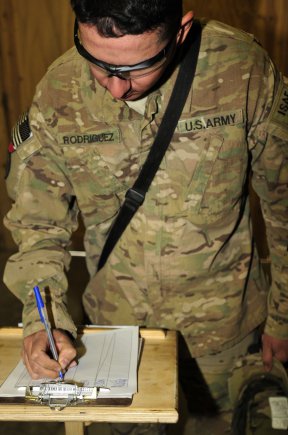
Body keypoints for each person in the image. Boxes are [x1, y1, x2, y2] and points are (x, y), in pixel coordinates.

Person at [3, 0, 288, 433]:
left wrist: (284, 317)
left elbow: (284, 202)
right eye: (96, 61)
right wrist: (44, 321)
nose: (115, 89)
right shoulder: (59, 91)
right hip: (118, 340)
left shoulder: (240, 70)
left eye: (137, 68)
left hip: (226, 337)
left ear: (180, 33)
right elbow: (38, 225)